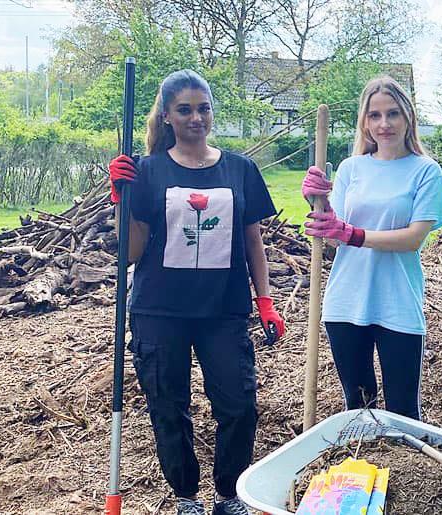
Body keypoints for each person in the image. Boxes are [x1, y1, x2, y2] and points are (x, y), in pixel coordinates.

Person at [108, 69, 285, 515]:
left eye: (203, 108)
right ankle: (186, 496)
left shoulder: (240, 169)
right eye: (184, 110)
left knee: (239, 404)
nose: (196, 118)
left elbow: (253, 241)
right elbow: (130, 253)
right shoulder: (148, 171)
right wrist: (121, 198)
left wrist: (265, 300)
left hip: (223, 310)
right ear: (167, 116)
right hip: (159, 310)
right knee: (168, 407)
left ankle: (229, 495)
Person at [300, 76, 442, 421]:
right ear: (364, 122)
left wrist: (352, 234)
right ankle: (363, 458)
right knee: (358, 407)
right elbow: (334, 235)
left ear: (408, 117)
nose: (384, 124)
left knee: (403, 412)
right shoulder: (352, 169)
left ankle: (404, 459)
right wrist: (317, 201)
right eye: (375, 115)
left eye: (393, 113)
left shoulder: (425, 171)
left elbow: (413, 238)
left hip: (398, 302)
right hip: (345, 302)